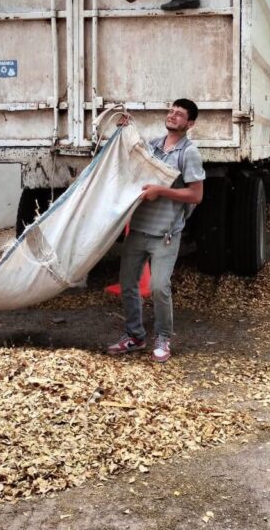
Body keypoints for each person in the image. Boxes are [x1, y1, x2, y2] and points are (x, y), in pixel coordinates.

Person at [108, 99, 205, 362]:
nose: (173, 115)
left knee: (160, 287)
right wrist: (124, 132)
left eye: (180, 114)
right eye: (171, 111)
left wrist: (161, 191)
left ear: (190, 123)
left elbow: (196, 195)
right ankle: (134, 337)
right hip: (138, 229)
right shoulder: (153, 146)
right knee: (129, 284)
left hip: (165, 233)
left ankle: (163, 338)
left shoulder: (189, 153)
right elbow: (130, 158)